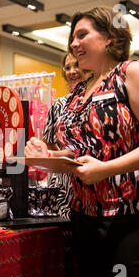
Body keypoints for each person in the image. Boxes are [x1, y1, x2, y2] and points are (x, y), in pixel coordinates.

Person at [25, 7, 139, 277]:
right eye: (72, 37)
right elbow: (80, 156)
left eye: (82, 35)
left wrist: (106, 170)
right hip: (86, 216)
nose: (73, 43)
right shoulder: (79, 92)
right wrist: (47, 156)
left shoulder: (132, 73)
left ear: (109, 37)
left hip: (132, 214)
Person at [41, 53, 91, 219]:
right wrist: (61, 158)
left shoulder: (99, 100)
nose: (72, 71)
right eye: (67, 68)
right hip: (64, 185)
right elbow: (48, 140)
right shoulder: (59, 105)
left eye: (76, 65)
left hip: (93, 178)